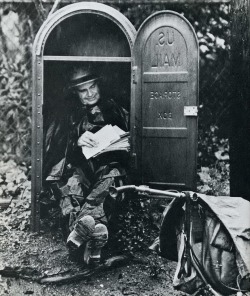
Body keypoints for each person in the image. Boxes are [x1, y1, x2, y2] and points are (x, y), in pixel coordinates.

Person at [43, 65, 129, 266]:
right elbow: (53, 147)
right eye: (83, 90)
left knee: (111, 179)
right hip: (79, 166)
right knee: (71, 185)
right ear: (75, 92)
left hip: (107, 167)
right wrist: (76, 139)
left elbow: (130, 138)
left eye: (93, 87)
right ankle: (93, 241)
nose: (90, 94)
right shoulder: (67, 113)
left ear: (99, 85)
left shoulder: (114, 107)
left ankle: (79, 239)